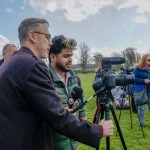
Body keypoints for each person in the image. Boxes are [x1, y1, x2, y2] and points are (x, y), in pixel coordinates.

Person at [0, 18, 114, 150]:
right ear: (32, 36)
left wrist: (55, 111)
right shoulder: (33, 64)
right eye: (47, 37)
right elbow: (58, 118)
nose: (50, 42)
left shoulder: (11, 62)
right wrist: (98, 130)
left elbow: (23, 107)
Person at [48, 35, 87, 150]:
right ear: (53, 56)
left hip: (73, 142)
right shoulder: (44, 78)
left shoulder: (74, 77)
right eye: (66, 56)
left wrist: (84, 126)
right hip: (53, 144)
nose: (70, 59)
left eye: (71, 55)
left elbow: (81, 103)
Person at [133, 54, 150, 127]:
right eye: (149, 60)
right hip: (141, 91)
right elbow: (133, 79)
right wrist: (143, 80)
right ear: (144, 60)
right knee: (141, 108)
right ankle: (141, 124)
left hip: (149, 91)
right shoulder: (138, 68)